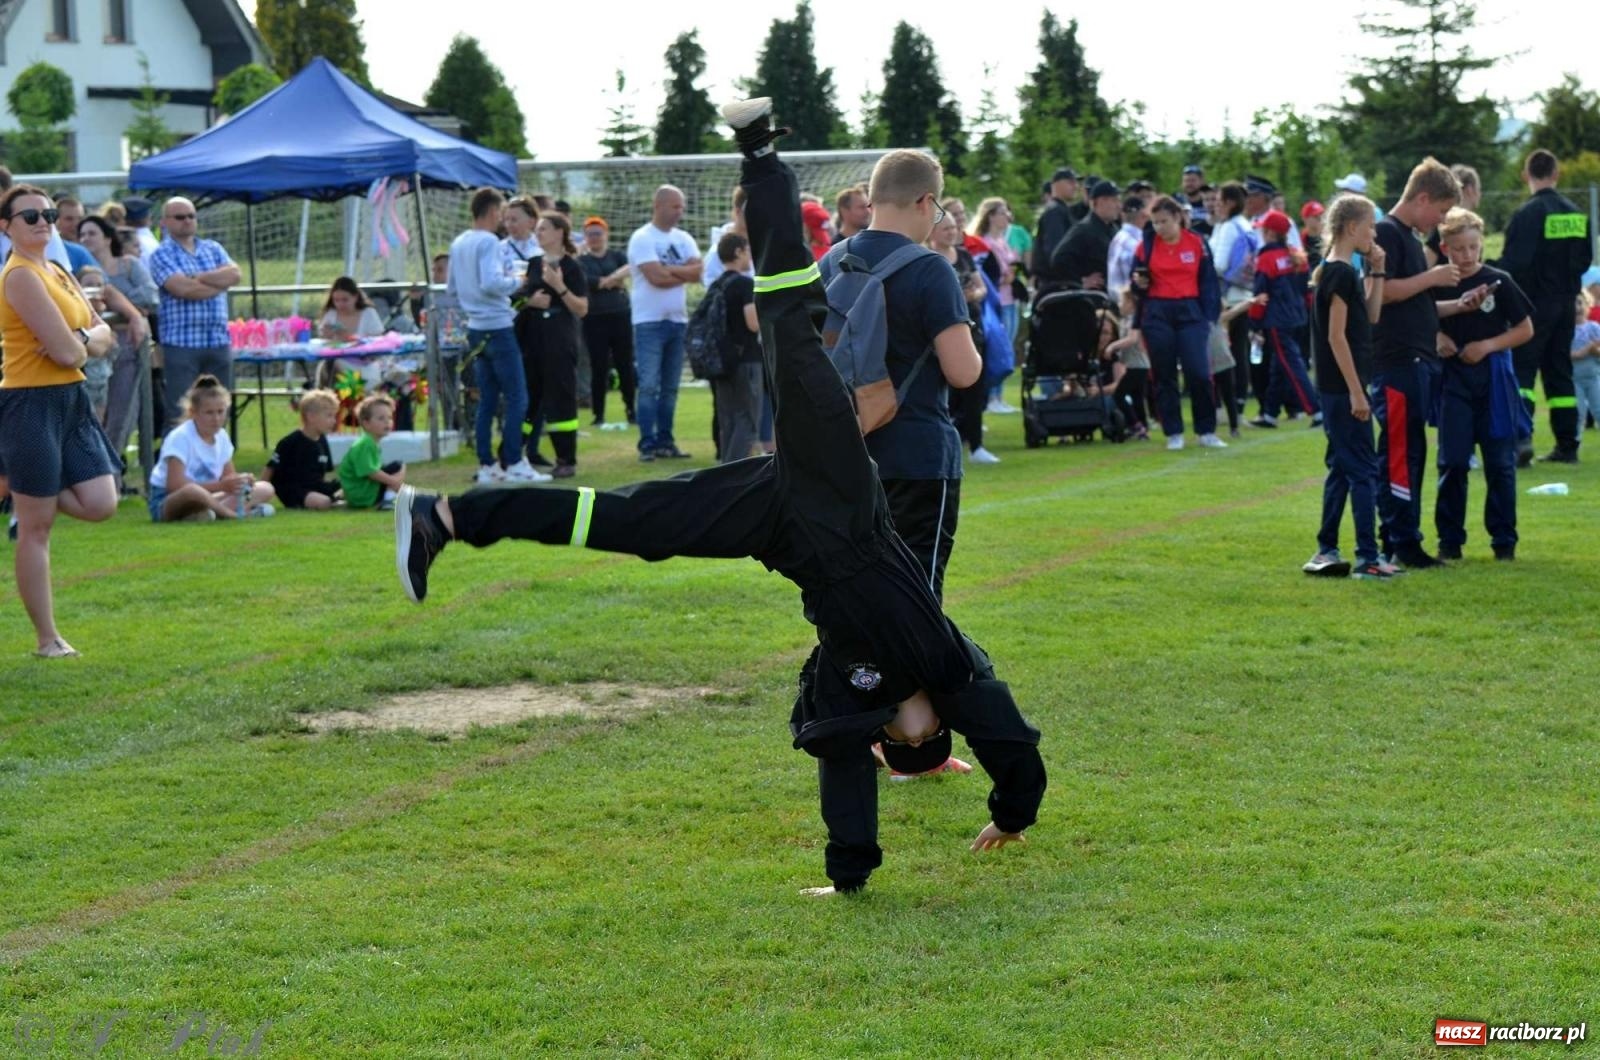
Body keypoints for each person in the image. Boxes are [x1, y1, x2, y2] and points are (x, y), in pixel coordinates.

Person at [393, 98, 1045, 893]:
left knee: (628, 521)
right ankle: (758, 150)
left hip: (784, 520)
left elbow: (843, 760)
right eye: (916, 734)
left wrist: (847, 878)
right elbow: (1012, 743)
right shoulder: (948, 659)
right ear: (933, 721)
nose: (902, 728)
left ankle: (449, 516)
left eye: (898, 738)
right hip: (833, 484)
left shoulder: (848, 683)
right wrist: (1013, 813)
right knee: (785, 313)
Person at [820, 148, 982, 603]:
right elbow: (963, 372)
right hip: (916, 451)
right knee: (915, 599)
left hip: (844, 450)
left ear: (871, 199)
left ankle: (854, 677)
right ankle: (906, 677)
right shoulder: (931, 267)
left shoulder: (830, 262)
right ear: (926, 202)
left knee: (851, 590)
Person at [0, 183, 120, 657]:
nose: (44, 222)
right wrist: (83, 339)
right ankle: (48, 639)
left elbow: (100, 335)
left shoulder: (56, 269)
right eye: (30, 217)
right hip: (30, 402)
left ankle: (19, 486)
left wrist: (80, 338)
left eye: (48, 214)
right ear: (6, 227)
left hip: (70, 398)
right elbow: (75, 347)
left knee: (101, 502)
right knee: (37, 526)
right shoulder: (20, 276)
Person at [1371, 158, 1460, 569]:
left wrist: (1457, 304)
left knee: (1411, 451)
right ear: (1422, 197)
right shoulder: (1387, 232)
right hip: (1397, 362)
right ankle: (1399, 538)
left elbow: (1416, 302)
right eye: (1440, 212)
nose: (1439, 222)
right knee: (1399, 453)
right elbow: (1385, 292)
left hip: (1416, 360)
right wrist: (1433, 277)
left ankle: (1405, 535)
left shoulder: (1405, 236)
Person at [1303, 195, 1395, 580]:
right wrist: (1357, 392)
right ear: (1353, 227)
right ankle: (1368, 558)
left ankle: (1326, 547)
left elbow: (1371, 317)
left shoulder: (1344, 271)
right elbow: (1336, 338)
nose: (1374, 233)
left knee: (1342, 468)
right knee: (1363, 471)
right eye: (1371, 225)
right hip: (1344, 390)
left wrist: (1377, 271)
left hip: (1343, 387)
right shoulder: (1338, 273)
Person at [1433, 208, 1533, 561]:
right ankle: (1449, 542)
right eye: (1459, 248)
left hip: (1493, 378)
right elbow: (1418, 319)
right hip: (1454, 380)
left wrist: (1487, 346)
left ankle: (1504, 542)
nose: (1467, 255)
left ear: (1482, 243)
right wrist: (1438, 336)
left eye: (1473, 246)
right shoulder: (1437, 282)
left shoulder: (1499, 280)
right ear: (1446, 247)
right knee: (1454, 462)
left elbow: (1525, 329)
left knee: (1500, 464)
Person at [1498, 149, 1593, 464]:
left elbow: (1516, 263)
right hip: (1567, 304)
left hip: (1533, 305)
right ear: (1557, 173)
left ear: (1526, 175)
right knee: (1560, 373)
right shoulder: (1576, 215)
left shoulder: (1527, 214)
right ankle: (1568, 446)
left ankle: (1521, 440)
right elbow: (1584, 260)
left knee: (1522, 372)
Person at [1114, 196, 1224, 450]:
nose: (1159, 227)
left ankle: (1206, 429)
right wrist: (1138, 284)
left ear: (1177, 218)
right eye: (1155, 222)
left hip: (1190, 311)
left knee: (1198, 371)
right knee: (1163, 373)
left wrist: (1209, 316)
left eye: (1164, 221)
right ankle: (1173, 431)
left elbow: (1208, 282)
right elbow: (1135, 282)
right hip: (1157, 311)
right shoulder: (1146, 246)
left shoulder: (1197, 244)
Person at [448, 187, 541, 485]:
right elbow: (491, 283)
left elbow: (451, 287)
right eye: (501, 213)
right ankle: (513, 460)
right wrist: (518, 280)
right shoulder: (488, 241)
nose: (503, 220)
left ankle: (488, 464)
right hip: (497, 325)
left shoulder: (459, 241)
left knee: (487, 398)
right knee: (517, 397)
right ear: (491, 212)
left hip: (474, 326)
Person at [146, 196, 242, 427]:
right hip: (181, 344)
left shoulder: (213, 248)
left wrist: (197, 277)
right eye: (180, 217)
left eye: (191, 216)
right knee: (180, 411)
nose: (187, 221)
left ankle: (215, 460)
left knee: (219, 409)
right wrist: (217, 284)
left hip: (218, 340)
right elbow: (182, 289)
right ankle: (178, 461)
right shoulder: (161, 254)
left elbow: (235, 275)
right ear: (165, 222)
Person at [628, 185, 702, 462]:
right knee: (648, 385)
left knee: (670, 387)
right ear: (658, 206)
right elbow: (654, 278)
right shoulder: (642, 238)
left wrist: (669, 269)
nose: (680, 212)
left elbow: (698, 272)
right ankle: (647, 443)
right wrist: (683, 272)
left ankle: (665, 441)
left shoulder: (684, 238)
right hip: (649, 322)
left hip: (677, 321)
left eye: (681, 207)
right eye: (675, 206)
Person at [77, 216, 155, 473]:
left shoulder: (129, 265)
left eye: (92, 233)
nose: (86, 239)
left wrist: (127, 309)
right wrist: (125, 308)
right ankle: (96, 471)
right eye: (82, 234)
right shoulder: (81, 268)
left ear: (108, 237)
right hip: (95, 349)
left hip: (128, 345)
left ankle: (112, 473)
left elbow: (150, 296)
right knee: (94, 413)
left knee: (123, 413)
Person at [516, 211, 589, 478]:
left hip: (560, 339)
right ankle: (514, 455)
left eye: (544, 228)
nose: (538, 233)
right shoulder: (533, 264)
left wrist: (559, 287)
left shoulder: (572, 267)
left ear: (560, 232)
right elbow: (516, 298)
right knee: (528, 399)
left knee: (561, 398)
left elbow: (581, 308)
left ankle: (565, 458)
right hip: (532, 339)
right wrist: (529, 302)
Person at [147, 374, 276, 522]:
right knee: (193, 491)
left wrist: (241, 481)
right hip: (170, 499)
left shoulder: (222, 437)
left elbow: (228, 477)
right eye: (209, 413)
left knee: (265, 488)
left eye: (220, 412)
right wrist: (221, 485)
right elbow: (174, 485)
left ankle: (205, 514)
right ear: (193, 413)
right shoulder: (180, 437)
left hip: (211, 496)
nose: (216, 418)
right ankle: (231, 515)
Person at [927, 212, 996, 464]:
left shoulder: (964, 255)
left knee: (975, 387)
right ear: (932, 232)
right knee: (947, 390)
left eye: (954, 228)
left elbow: (982, 287)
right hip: (943, 329)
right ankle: (948, 441)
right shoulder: (929, 259)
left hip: (971, 325)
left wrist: (973, 295)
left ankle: (976, 444)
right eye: (946, 228)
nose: (951, 232)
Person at [1246, 210, 1317, 428]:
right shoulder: (1297, 256)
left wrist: (1254, 324)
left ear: (1269, 233)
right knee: (1280, 366)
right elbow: (1307, 291)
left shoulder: (1266, 258)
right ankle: (1270, 413)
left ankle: (1317, 410)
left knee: (1292, 364)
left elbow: (1261, 296)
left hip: (1277, 320)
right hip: (1298, 317)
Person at [577, 216, 636, 431]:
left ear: (606, 235)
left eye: (598, 233)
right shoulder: (582, 261)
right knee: (598, 367)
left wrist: (608, 280)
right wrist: (611, 281)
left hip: (620, 316)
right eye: (590, 234)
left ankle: (631, 410)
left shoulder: (616, 256)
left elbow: (629, 269)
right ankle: (598, 413)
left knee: (625, 366)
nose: (594, 238)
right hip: (595, 319)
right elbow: (588, 282)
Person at [709, 233, 763, 463]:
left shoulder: (716, 284)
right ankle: (734, 470)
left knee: (728, 419)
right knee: (748, 420)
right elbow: (753, 323)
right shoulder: (744, 283)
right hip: (746, 359)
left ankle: (724, 468)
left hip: (722, 360)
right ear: (739, 252)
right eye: (748, 251)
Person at [264, 389, 341, 510]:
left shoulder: (322, 440)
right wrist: (262, 495)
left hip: (315, 487)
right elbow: (270, 468)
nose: (334, 421)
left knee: (349, 489)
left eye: (334, 416)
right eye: (329, 416)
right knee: (323, 502)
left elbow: (323, 475)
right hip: (294, 490)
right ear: (311, 417)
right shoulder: (290, 442)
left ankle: (336, 501)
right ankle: (333, 502)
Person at [1048, 180, 1120, 290]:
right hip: (1093, 297)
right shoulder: (1084, 229)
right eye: (1114, 200)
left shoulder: (1113, 229)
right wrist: (1079, 281)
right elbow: (1059, 260)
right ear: (1098, 202)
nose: (1118, 205)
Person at [338, 394, 405, 510]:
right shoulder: (365, 444)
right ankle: (388, 500)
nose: (387, 422)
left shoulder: (370, 442)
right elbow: (370, 472)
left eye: (389, 418)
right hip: (363, 495)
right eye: (381, 418)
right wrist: (394, 482)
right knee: (398, 466)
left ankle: (390, 497)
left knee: (396, 466)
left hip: (363, 492)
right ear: (366, 423)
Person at [1031, 167, 1081, 294]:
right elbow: (1055, 253)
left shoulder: (1062, 210)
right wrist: (1079, 277)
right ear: (1056, 185)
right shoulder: (1055, 212)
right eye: (1070, 182)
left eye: (1076, 182)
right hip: (1057, 286)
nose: (1075, 186)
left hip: (1062, 283)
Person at [318, 276, 385, 340]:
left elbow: (378, 339)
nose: (340, 304)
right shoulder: (331, 314)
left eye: (345, 300)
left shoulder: (368, 313)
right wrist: (326, 336)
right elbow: (322, 340)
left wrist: (349, 337)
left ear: (355, 297)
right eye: (336, 300)